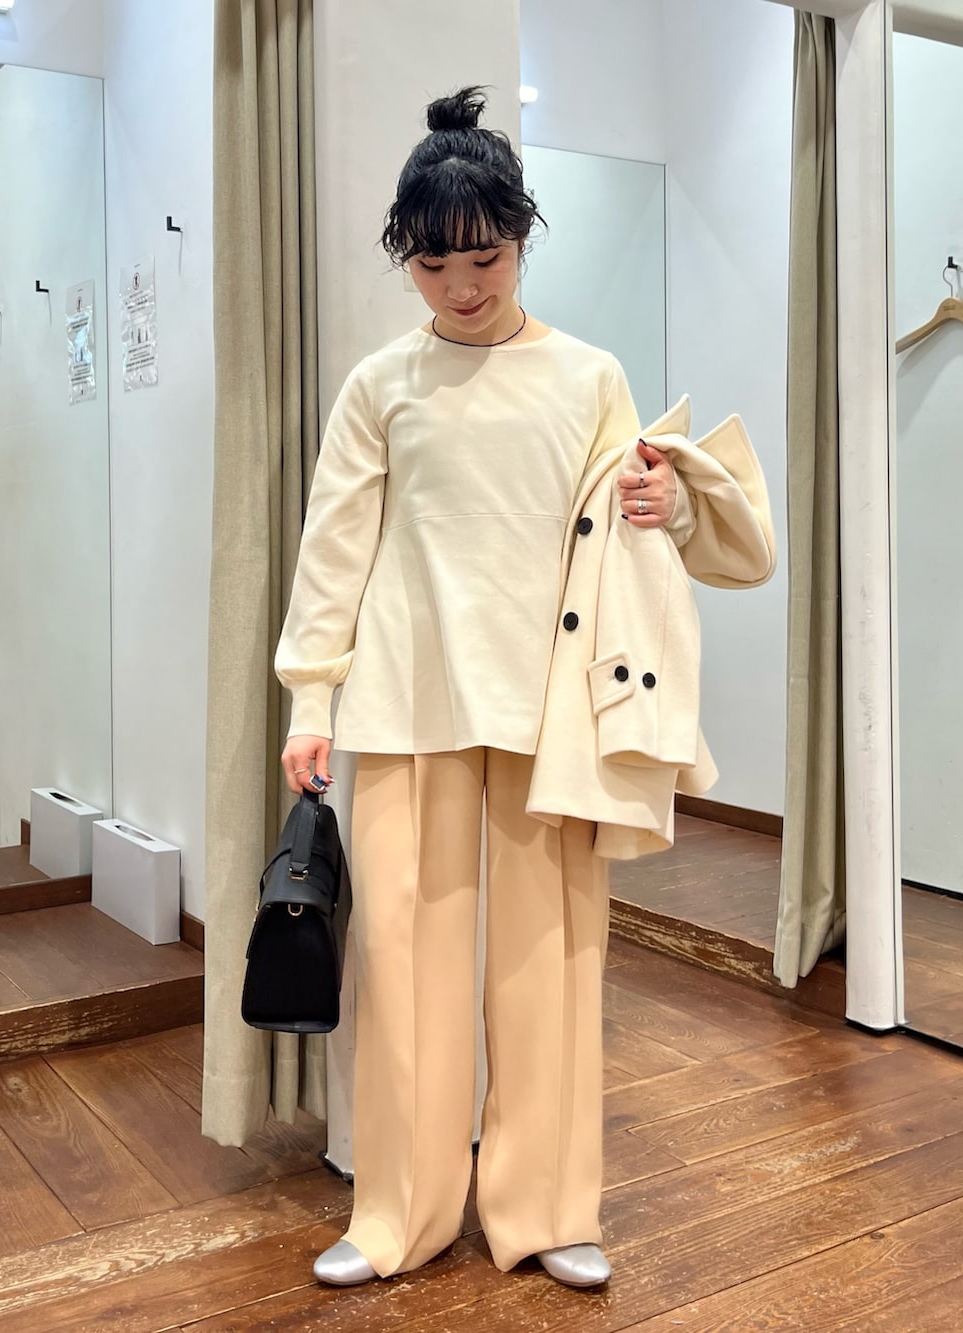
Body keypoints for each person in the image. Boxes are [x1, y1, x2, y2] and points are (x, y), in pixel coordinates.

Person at [275, 86, 771, 1290]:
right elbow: (333, 550)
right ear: (406, 257)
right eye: (433, 264)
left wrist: (662, 500)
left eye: (485, 257)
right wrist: (310, 700)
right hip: (407, 703)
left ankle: (547, 1210)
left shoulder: (588, 377)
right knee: (403, 969)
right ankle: (396, 1214)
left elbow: (631, 532)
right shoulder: (380, 385)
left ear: (520, 236)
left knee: (550, 965)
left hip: (553, 714)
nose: (462, 286)